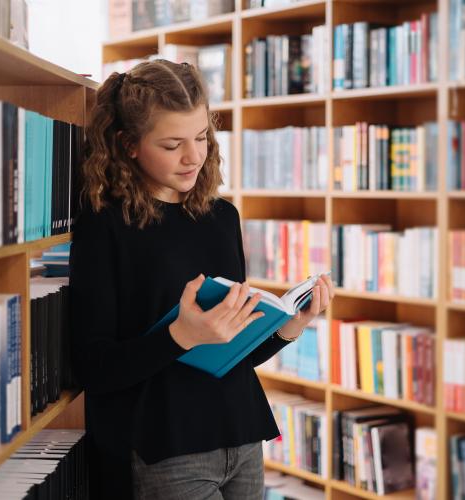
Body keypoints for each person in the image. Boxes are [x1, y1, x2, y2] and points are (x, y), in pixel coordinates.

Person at [69, 59, 334, 499]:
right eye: (172, 144)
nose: (193, 156)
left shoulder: (221, 217)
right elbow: (94, 369)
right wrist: (178, 336)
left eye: (201, 137)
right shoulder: (106, 227)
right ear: (129, 144)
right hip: (164, 446)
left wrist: (291, 325)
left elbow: (232, 353)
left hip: (240, 433)